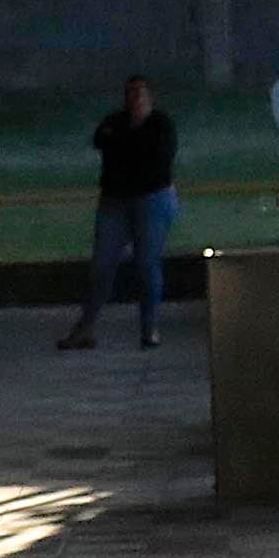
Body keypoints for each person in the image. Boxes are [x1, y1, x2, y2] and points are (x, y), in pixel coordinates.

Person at [59, 74, 179, 351]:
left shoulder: (160, 126)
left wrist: (126, 150)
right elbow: (102, 141)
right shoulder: (114, 123)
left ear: (149, 97)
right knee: (101, 265)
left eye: (139, 93)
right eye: (130, 93)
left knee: (146, 263)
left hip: (151, 201)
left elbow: (156, 159)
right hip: (115, 202)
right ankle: (86, 327)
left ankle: (149, 328)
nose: (134, 99)